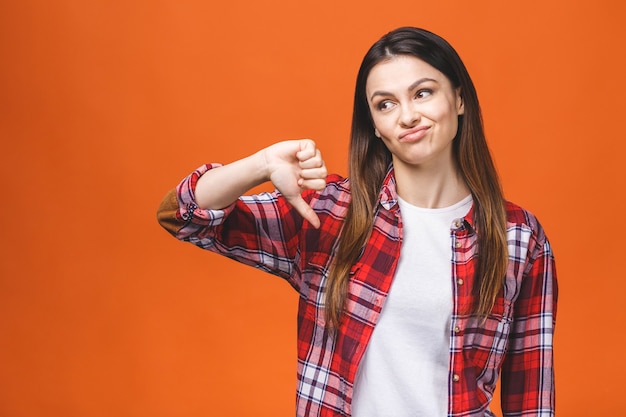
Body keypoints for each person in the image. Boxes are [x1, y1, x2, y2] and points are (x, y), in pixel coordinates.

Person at [157, 27, 558, 417]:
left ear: (458, 99)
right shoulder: (330, 213)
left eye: (423, 93)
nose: (407, 116)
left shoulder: (519, 237)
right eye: (386, 104)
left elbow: (532, 399)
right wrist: (260, 164)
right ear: (375, 127)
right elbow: (184, 216)